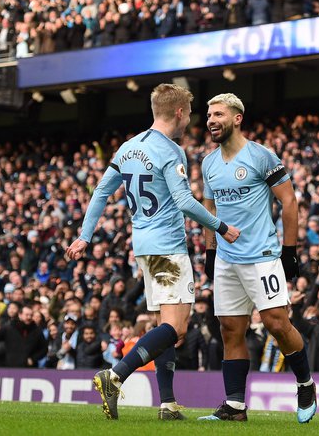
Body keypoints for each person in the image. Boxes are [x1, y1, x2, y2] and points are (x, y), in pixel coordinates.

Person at [66, 83, 240, 420]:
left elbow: (101, 192)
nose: (190, 120)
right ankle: (115, 375)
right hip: (168, 248)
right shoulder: (171, 150)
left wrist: (85, 236)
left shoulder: (129, 148)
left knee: (165, 325)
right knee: (175, 328)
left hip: (143, 247)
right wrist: (221, 228)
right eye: (189, 113)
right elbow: (184, 201)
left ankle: (167, 404)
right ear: (178, 112)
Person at [198, 93, 316, 423]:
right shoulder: (208, 163)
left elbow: (289, 202)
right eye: (208, 115)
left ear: (237, 118)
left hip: (262, 255)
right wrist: (210, 250)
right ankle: (235, 407)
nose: (211, 120)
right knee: (230, 331)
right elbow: (209, 209)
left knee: (277, 324)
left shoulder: (261, 156)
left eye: (218, 114)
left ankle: (305, 383)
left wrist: (289, 251)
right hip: (227, 259)